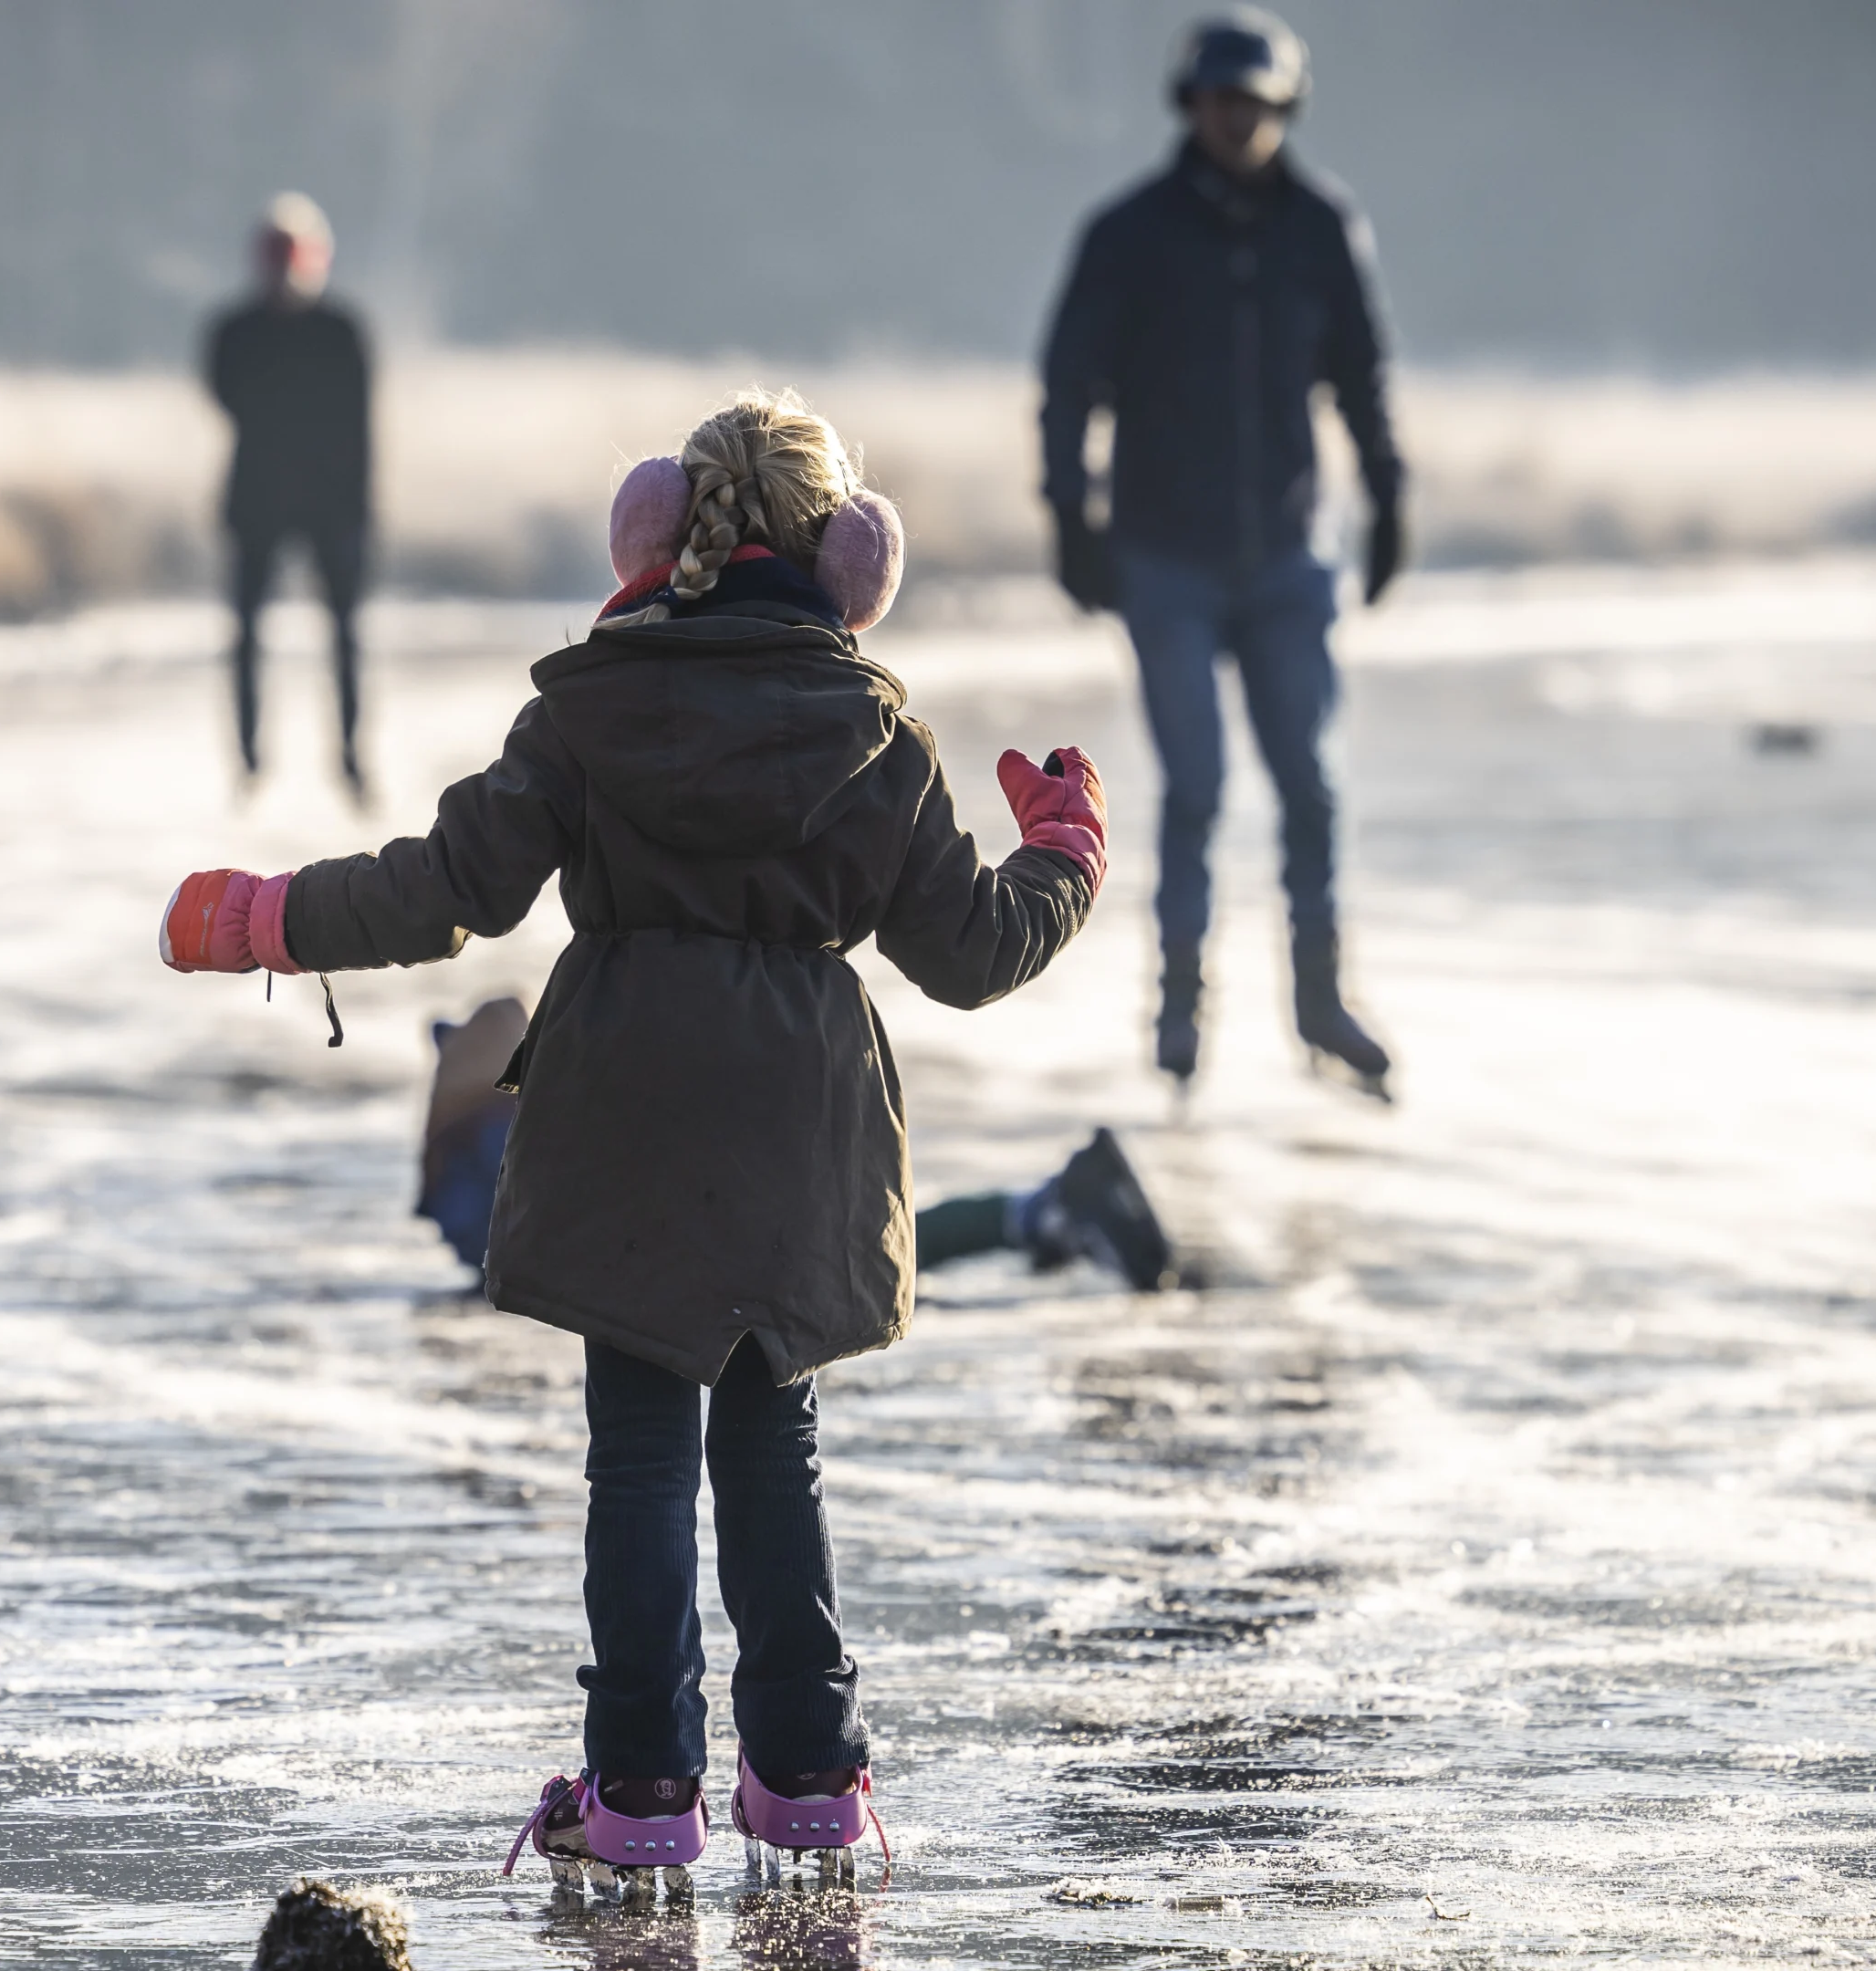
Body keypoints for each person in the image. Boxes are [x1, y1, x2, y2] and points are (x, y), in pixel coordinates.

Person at [159, 393, 1103, 1889]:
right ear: (843, 558)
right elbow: (975, 952)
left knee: (643, 1460)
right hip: (798, 1120)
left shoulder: (590, 709)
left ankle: (643, 1786)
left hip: (626, 1105)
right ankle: (809, 1776)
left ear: (657, 535)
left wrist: (270, 917)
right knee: (776, 1448)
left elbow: (444, 888)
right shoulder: (875, 734)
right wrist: (1064, 851)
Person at [1038, 7, 1404, 1099]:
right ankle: (1180, 1013)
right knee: (1194, 787)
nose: (1235, 118)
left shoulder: (1323, 227)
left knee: (1312, 787)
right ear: (1189, 106)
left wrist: (1391, 500)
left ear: (1283, 106)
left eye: (1253, 100)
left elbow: (1363, 378)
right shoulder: (1128, 234)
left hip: (1291, 556)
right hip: (1165, 561)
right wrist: (1071, 519)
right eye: (1218, 99)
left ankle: (1321, 1004)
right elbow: (1067, 386)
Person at [420, 1010, 1177, 1292]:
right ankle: (1042, 1212)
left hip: (684, 1249)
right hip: (715, 1199)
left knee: (866, 1252)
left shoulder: (490, 1145)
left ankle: (1045, 1212)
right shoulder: (517, 1120)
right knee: (867, 1249)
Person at [203, 193, 376, 798]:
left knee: (345, 636)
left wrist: (360, 510)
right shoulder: (234, 333)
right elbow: (225, 396)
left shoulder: (341, 332)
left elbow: (361, 428)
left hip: (332, 506)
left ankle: (350, 757)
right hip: (258, 503)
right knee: (246, 635)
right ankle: (249, 759)